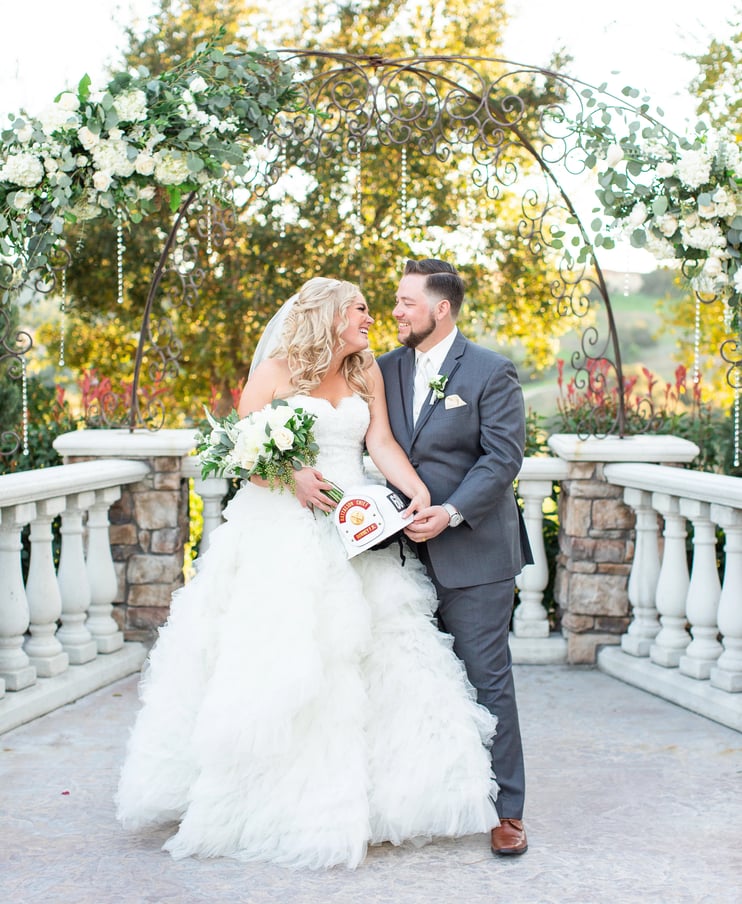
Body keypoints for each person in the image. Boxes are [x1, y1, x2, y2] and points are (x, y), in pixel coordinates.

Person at [116, 276, 499, 869]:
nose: (373, 318)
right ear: (330, 314)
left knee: (368, 657)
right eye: (363, 309)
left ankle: (375, 800)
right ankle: (271, 800)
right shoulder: (276, 369)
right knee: (291, 658)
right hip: (283, 531)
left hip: (353, 526)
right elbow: (241, 449)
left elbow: (381, 443)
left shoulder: (363, 372)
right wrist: (289, 475)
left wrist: (417, 493)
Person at [378, 259, 532, 857]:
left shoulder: (492, 372)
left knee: (487, 681)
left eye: (406, 302)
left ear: (440, 309)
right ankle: (419, 799)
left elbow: (501, 459)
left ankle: (507, 812)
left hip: (475, 553)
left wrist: (451, 512)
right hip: (399, 557)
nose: (396, 311)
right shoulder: (382, 370)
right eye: (394, 301)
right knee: (412, 682)